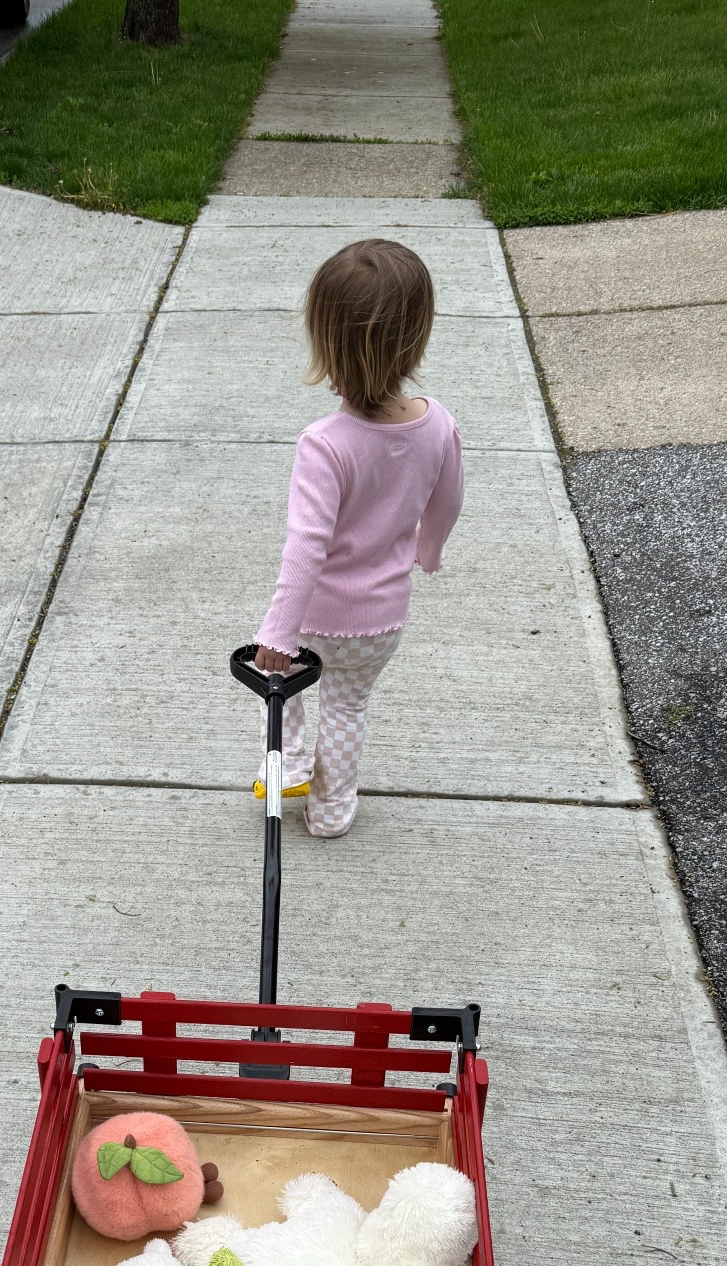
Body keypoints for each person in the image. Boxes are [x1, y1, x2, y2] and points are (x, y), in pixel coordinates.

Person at [252, 238, 464, 838]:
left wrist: (278, 631)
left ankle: (287, 763)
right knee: (346, 707)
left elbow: (307, 547)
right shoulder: (438, 424)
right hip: (382, 618)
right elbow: (447, 501)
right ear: (416, 337)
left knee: (282, 677)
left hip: (320, 616)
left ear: (325, 341)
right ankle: (331, 812)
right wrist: (429, 550)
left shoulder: (326, 443)